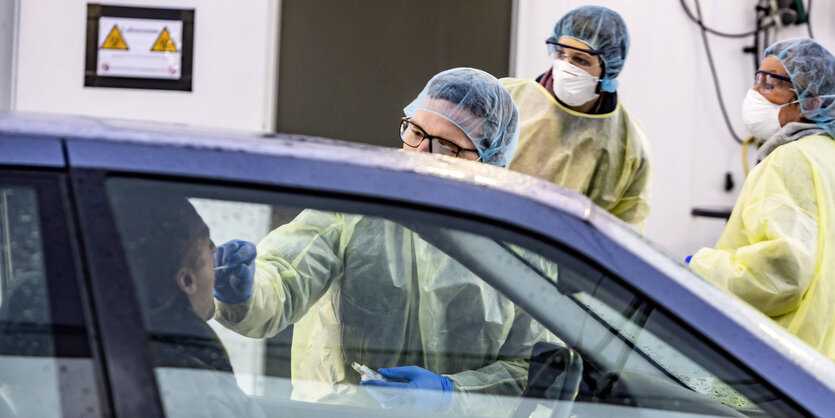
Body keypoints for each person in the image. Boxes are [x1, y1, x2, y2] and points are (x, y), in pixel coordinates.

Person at [212, 68, 545, 413]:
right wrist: (244, 292)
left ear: (491, 159)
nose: (420, 151)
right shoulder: (356, 206)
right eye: (415, 131)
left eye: (446, 146)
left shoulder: (518, 242)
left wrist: (452, 395)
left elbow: (532, 369)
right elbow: (285, 278)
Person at [689, 38, 835, 361]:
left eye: (771, 85)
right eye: (757, 80)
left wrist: (700, 268)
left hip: (781, 360)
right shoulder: (827, 158)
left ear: (808, 102)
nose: (755, 94)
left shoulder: (791, 160)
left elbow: (783, 274)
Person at [109, 190, 264, 417]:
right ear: (187, 280)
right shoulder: (192, 384)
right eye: (206, 242)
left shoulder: (136, 344)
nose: (215, 249)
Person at [500, 5, 651, 231]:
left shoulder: (629, 144)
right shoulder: (506, 99)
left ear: (608, 70)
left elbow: (626, 229)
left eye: (581, 60)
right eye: (560, 53)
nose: (565, 65)